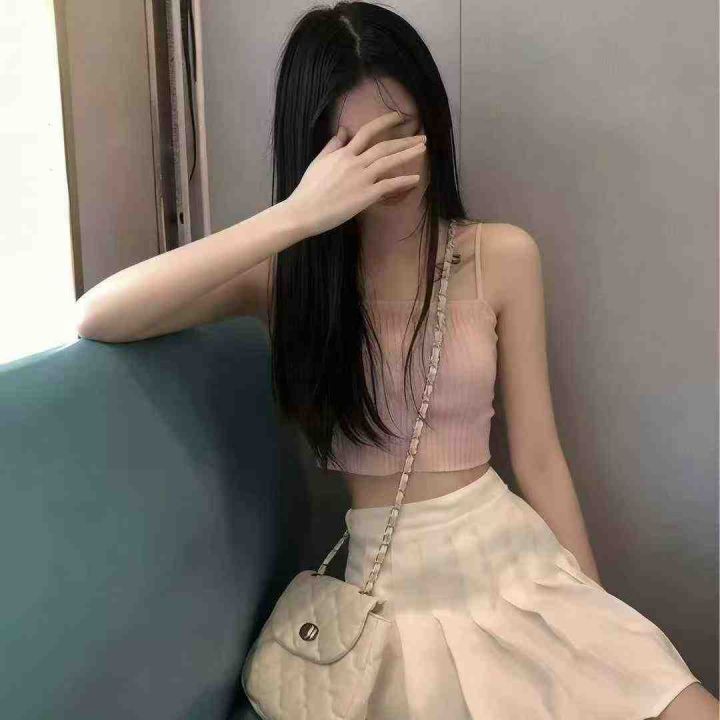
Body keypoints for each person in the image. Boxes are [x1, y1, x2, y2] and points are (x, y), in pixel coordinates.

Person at [75, 2, 718, 717]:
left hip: (516, 566)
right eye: (358, 146)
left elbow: (539, 459)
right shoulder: (287, 280)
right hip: (393, 602)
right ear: (316, 153)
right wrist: (297, 215)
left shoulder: (499, 256)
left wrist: (597, 624)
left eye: (404, 132)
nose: (391, 163)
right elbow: (100, 314)